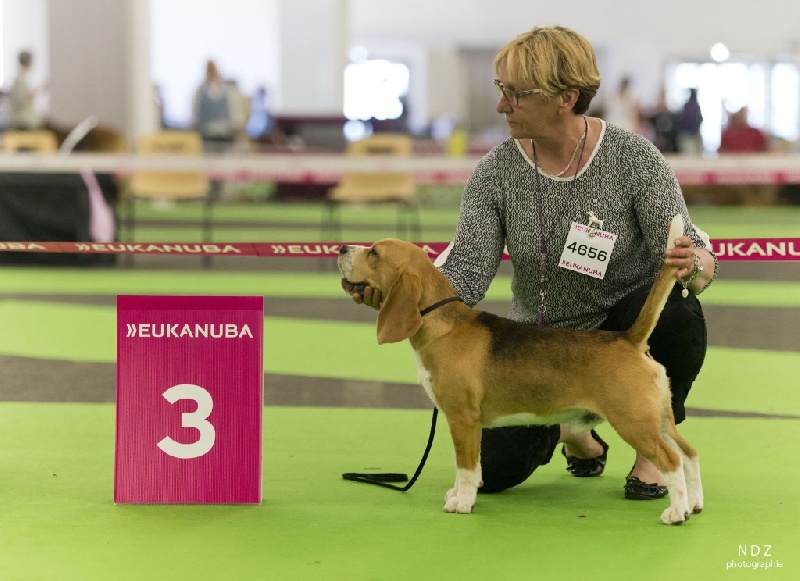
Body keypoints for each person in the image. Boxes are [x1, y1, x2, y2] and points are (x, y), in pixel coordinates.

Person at [343, 25, 717, 502]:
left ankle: (649, 452)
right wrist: (404, 294)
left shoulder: (634, 158)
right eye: (502, 90)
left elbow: (692, 249)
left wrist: (696, 262)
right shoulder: (494, 174)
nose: (502, 105)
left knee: (679, 311)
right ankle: (575, 426)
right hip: (535, 346)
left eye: (516, 94)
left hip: (623, 328)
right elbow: (464, 274)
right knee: (493, 471)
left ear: (567, 97)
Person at [192, 59, 234, 152]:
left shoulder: (225, 90)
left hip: (223, 134)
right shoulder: (201, 91)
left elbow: (229, 112)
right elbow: (196, 112)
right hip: (205, 133)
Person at [8, 50, 47, 130]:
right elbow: (22, 99)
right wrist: (39, 90)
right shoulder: (20, 80)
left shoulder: (23, 78)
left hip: (25, 115)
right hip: (23, 118)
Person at [677, 88, 704, 155]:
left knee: (697, 154)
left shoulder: (696, 106)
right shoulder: (687, 106)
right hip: (687, 136)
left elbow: (700, 119)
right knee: (688, 155)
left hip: (695, 135)